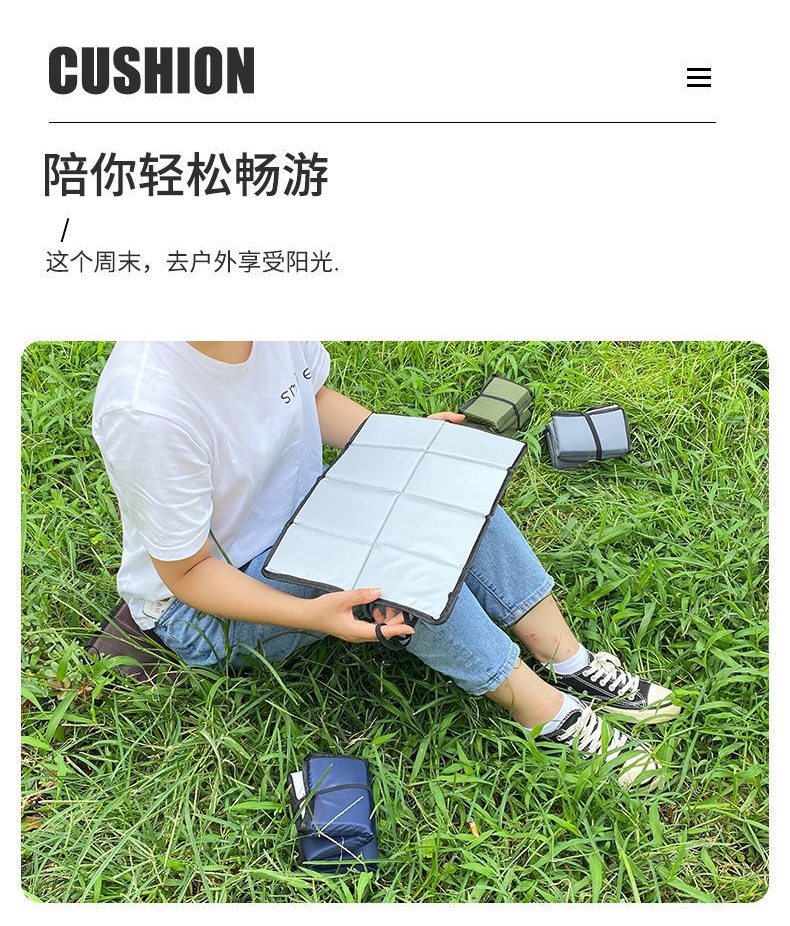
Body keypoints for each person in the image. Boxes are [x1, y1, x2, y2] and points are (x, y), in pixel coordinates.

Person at [92, 340, 678, 793]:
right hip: (204, 604)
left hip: (306, 514)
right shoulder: (147, 407)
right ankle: (545, 711)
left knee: (447, 483)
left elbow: (312, 399)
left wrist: (405, 443)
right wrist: (313, 615)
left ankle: (569, 661)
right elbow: (188, 574)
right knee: (395, 570)